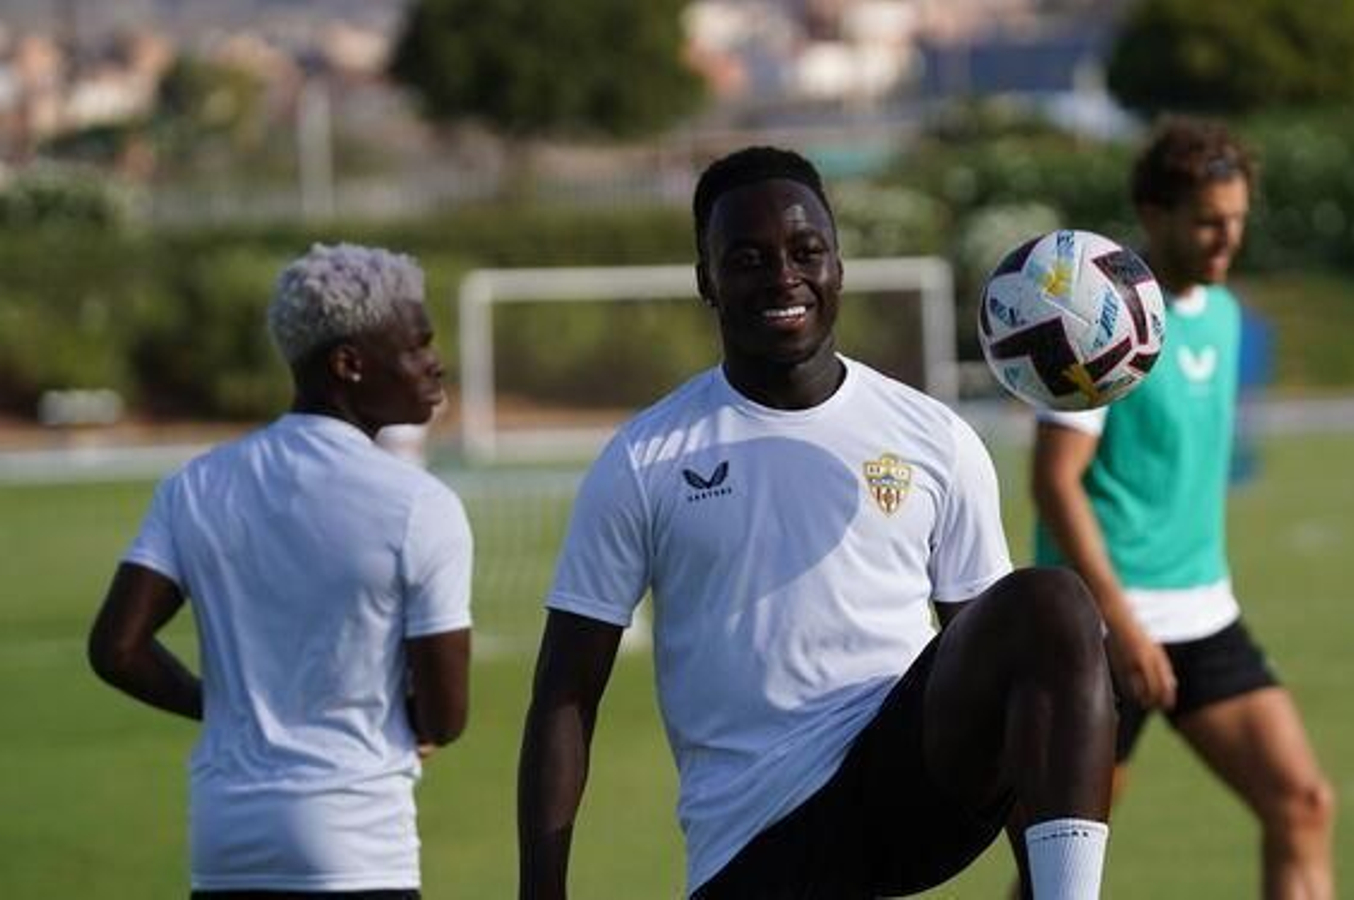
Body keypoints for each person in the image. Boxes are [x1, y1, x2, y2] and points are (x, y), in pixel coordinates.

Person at [518, 146, 1117, 900]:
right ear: (706, 279)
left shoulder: (933, 436)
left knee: (1052, 604)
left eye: (807, 251)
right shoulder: (647, 457)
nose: (783, 277)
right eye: (748, 258)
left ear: (838, 263)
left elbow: (1005, 676)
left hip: (909, 785)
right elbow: (565, 695)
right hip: (756, 839)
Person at [88, 243, 474, 899]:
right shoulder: (419, 504)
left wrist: (225, 707)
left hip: (225, 841)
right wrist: (412, 722)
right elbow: (444, 717)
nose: (435, 363)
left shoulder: (198, 484)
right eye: (416, 346)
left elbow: (116, 649)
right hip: (356, 845)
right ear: (348, 364)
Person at [1025, 119, 1336, 899]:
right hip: (1101, 629)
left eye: (1237, 218)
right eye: (1207, 220)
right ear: (1153, 213)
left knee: (1302, 804)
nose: (1227, 237)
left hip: (1203, 615)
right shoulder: (1103, 323)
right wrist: (1123, 627)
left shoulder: (1225, 313)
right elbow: (1054, 482)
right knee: (1060, 871)